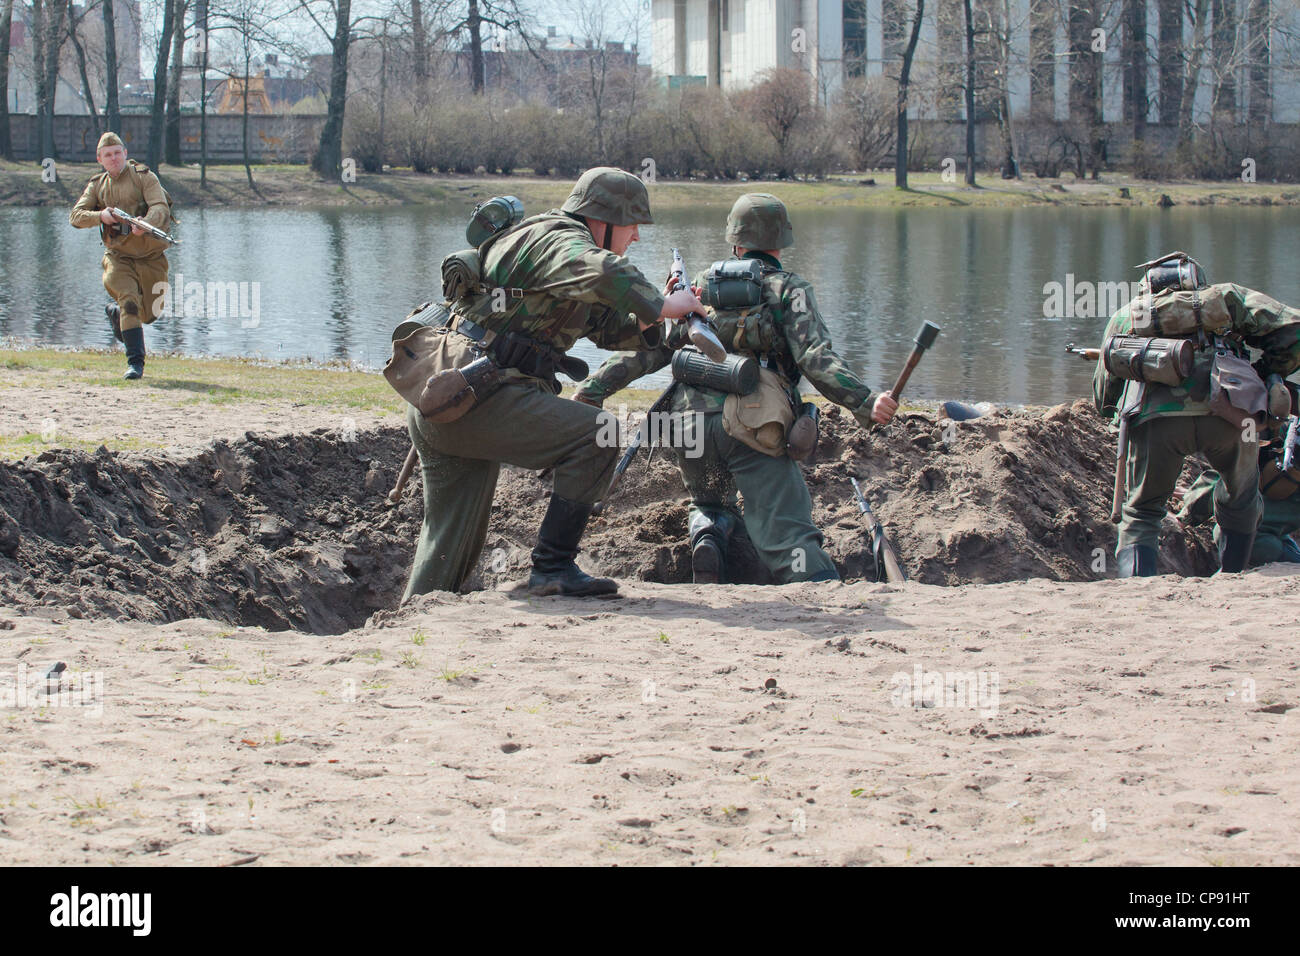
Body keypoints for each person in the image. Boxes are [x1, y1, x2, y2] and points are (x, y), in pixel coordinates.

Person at [400, 167, 704, 599]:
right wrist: (664, 303)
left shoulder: (546, 244)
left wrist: (664, 318)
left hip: (448, 398)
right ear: (603, 220)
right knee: (600, 434)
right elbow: (603, 271)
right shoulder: (561, 240)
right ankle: (553, 566)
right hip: (474, 398)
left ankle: (412, 622)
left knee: (448, 543)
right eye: (633, 225)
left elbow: (608, 327)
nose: (636, 236)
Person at [575, 192, 897, 584]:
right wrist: (865, 401)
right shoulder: (789, 289)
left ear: (735, 242)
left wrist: (594, 387)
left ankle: (708, 534)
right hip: (753, 423)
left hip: (688, 423)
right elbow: (815, 357)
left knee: (710, 498)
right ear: (780, 242)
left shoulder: (696, 288)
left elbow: (652, 348)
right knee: (786, 529)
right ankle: (817, 587)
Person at [1093, 254, 1300, 575]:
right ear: (1198, 284)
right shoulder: (1226, 299)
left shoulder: (1128, 316)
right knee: (1240, 502)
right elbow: (1293, 330)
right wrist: (1266, 374)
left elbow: (1104, 396)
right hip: (1232, 416)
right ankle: (1232, 577)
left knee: (1142, 514)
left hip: (1155, 420)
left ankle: (1134, 592)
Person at [69, 132, 174, 380]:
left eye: (117, 153)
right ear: (100, 159)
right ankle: (135, 364)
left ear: (125, 154)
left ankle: (117, 316)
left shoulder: (144, 177)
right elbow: (76, 216)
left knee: (150, 314)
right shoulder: (97, 185)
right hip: (118, 257)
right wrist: (100, 216)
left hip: (151, 256)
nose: (113, 158)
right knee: (129, 301)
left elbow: (160, 207)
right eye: (108, 155)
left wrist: (145, 223)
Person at [1176, 418, 1300, 566]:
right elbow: (1237, 467)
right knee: (1232, 532)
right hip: (1267, 513)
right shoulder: (1282, 429)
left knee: (1241, 536)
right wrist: (1189, 512)